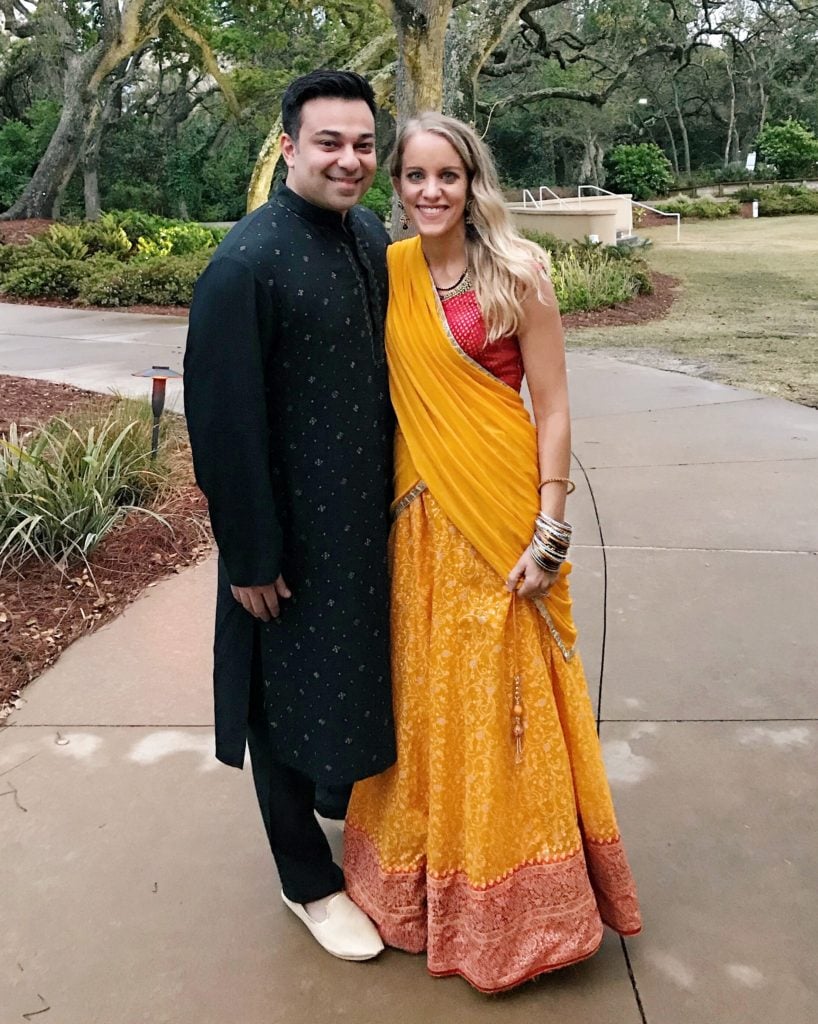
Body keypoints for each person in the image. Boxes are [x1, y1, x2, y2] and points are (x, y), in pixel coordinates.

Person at [343, 112, 642, 992]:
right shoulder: (388, 270)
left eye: (448, 175)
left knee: (505, 705)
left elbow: (551, 407)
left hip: (503, 514)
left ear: (475, 183)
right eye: (413, 176)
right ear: (396, 187)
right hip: (417, 519)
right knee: (431, 701)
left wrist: (549, 531)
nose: (430, 192)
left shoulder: (517, 273)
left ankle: (523, 906)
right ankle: (427, 887)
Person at [183, 70, 395, 962]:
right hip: (290, 535)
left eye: (362, 144)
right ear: (287, 147)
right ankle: (304, 879)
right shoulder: (247, 263)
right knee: (278, 698)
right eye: (329, 143)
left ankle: (339, 798)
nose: (349, 160)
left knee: (350, 676)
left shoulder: (370, 234)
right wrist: (251, 554)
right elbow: (223, 422)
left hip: (370, 522)